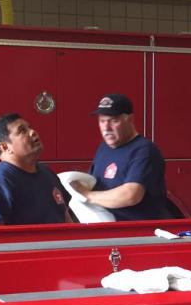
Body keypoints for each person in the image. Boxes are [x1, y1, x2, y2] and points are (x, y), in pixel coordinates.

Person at [73, 93, 172, 221]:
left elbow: (131, 195)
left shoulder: (144, 150)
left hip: (136, 234)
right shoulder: (104, 148)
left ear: (130, 119)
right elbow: (93, 183)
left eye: (114, 121)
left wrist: (87, 195)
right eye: (102, 121)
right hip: (107, 229)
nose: (106, 128)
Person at [0, 113, 73, 226]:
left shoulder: (47, 173)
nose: (32, 132)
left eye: (29, 127)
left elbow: (66, 216)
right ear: (5, 147)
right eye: (22, 131)